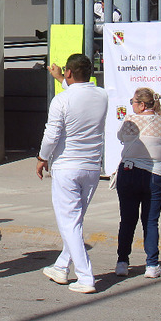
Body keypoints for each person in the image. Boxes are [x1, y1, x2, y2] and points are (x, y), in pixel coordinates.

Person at [37, 52, 108, 294]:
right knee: (74, 223)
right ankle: (60, 266)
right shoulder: (102, 96)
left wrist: (42, 157)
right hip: (91, 167)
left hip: (67, 167)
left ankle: (86, 277)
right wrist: (62, 79)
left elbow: (52, 134)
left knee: (69, 224)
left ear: (68, 72)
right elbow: (81, 93)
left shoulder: (61, 100)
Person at [114, 87, 161, 279]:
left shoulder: (130, 121)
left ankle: (122, 262)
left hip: (129, 172)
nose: (131, 105)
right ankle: (152, 264)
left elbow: (120, 137)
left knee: (127, 219)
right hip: (155, 173)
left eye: (133, 101)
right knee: (150, 221)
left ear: (141, 104)